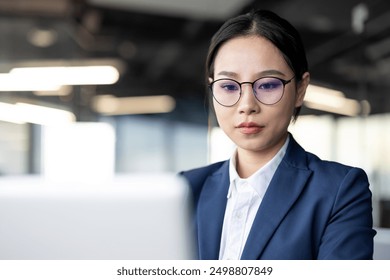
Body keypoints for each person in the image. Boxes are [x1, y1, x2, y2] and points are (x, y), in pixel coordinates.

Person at [180, 9, 375, 260]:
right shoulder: (183, 190)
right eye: (228, 86)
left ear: (300, 90)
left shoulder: (340, 191)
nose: (246, 104)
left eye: (268, 85)